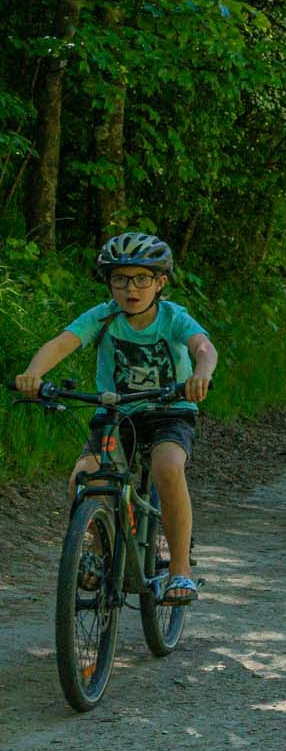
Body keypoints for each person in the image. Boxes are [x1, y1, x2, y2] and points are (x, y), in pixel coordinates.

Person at [11, 233, 217, 605]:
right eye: (120, 279)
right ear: (110, 283)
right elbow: (61, 343)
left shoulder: (172, 318)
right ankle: (98, 547)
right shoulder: (103, 316)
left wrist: (201, 374)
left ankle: (180, 571)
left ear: (160, 283)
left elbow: (203, 347)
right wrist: (33, 374)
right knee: (83, 477)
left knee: (167, 467)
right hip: (115, 414)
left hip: (169, 411)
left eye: (141, 279)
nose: (130, 288)